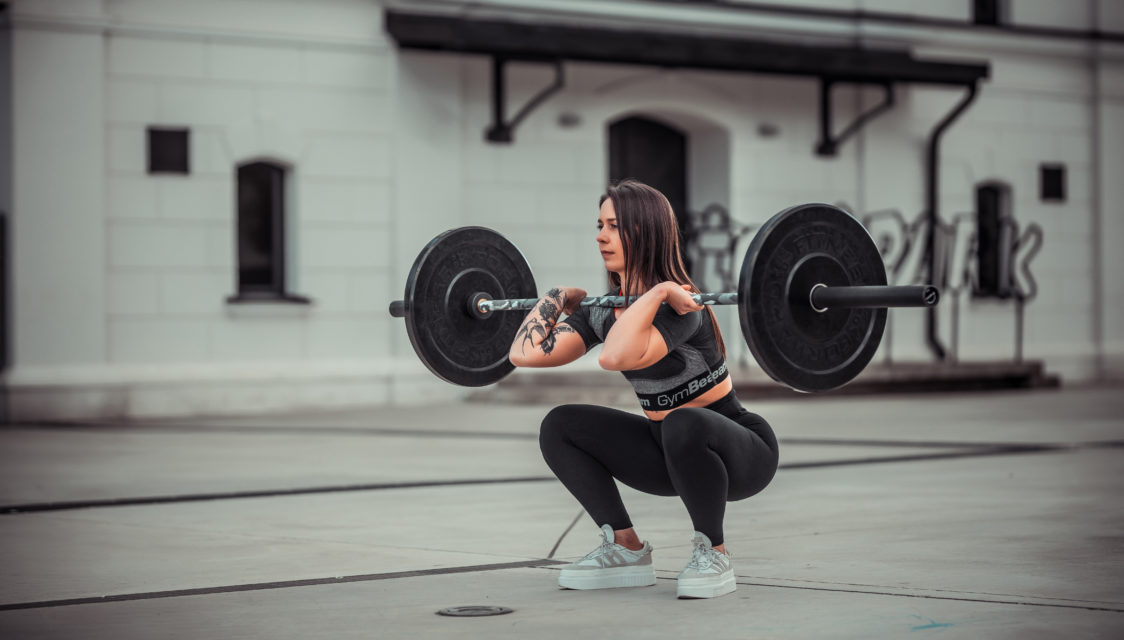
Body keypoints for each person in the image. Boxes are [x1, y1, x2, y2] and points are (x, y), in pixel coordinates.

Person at [508, 179, 779, 599]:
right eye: (599, 225)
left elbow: (615, 356)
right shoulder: (605, 311)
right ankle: (624, 547)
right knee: (559, 425)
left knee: (683, 422)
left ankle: (715, 553)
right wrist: (556, 296)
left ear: (645, 232)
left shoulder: (682, 305)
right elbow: (524, 355)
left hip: (736, 453)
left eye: (613, 226)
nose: (600, 236)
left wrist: (656, 291)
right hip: (665, 453)